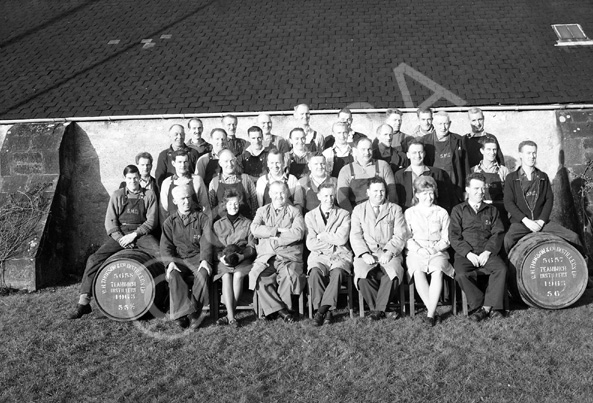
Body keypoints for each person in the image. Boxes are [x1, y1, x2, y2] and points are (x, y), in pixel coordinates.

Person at [67, 165, 160, 319]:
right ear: (125, 179)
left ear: (140, 178)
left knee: (162, 254)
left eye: (136, 178)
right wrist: (120, 238)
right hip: (121, 234)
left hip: (141, 233)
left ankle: (169, 299)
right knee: (94, 259)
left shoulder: (149, 195)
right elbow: (110, 222)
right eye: (129, 178)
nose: (133, 181)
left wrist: (135, 235)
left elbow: (152, 221)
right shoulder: (117, 195)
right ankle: (83, 303)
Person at [503, 140, 582, 253]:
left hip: (542, 222)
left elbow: (549, 200)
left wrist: (541, 221)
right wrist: (526, 221)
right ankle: (509, 269)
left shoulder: (543, 176)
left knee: (574, 237)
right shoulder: (511, 178)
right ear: (520, 154)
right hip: (521, 223)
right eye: (528, 153)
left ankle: (585, 265)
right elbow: (508, 202)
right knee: (508, 240)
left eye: (534, 153)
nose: (532, 156)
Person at [449, 173, 507, 321]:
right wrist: (468, 254)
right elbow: (454, 236)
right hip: (466, 254)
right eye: (476, 188)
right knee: (461, 274)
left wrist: (487, 252)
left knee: (501, 269)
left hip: (487, 252)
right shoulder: (458, 210)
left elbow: (498, 233)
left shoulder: (492, 210)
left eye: (482, 188)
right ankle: (483, 305)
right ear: (467, 189)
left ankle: (484, 309)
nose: (480, 192)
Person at [350, 177, 408, 320]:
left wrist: (389, 252)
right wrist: (364, 254)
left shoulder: (395, 209)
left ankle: (377, 311)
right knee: (362, 276)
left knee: (393, 273)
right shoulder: (358, 210)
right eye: (375, 191)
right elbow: (355, 235)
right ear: (368, 192)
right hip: (367, 252)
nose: (379, 194)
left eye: (382, 191)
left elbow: (400, 234)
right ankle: (384, 309)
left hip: (389, 252)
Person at [249, 181, 306, 322]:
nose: (279, 196)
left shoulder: (294, 211)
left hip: (288, 254)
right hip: (267, 255)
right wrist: (277, 230)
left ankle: (277, 309)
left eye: (282, 192)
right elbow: (255, 229)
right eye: (275, 192)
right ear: (270, 194)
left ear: (287, 193)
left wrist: (273, 238)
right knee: (258, 277)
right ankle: (282, 311)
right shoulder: (262, 211)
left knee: (289, 275)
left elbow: (298, 233)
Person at [161, 185, 213, 329]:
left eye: (188, 197)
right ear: (175, 201)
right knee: (173, 274)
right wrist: (170, 263)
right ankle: (182, 313)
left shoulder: (202, 218)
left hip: (198, 257)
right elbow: (165, 245)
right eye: (182, 199)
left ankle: (194, 313)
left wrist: (205, 260)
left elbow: (206, 241)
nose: (186, 201)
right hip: (179, 258)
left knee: (203, 273)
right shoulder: (169, 222)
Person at [404, 176, 454, 326]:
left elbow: (447, 238)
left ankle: (430, 314)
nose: (428, 197)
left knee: (437, 270)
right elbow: (406, 237)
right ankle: (433, 311)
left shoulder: (442, 212)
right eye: (424, 193)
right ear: (417, 195)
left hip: (437, 251)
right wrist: (419, 250)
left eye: (431, 193)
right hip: (416, 251)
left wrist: (434, 249)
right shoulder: (410, 213)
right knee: (417, 271)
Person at [305, 182, 353, 326]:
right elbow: (310, 243)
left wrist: (322, 236)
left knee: (337, 273)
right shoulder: (310, 216)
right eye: (325, 196)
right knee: (314, 273)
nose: (329, 199)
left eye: (332, 195)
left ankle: (320, 311)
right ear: (319, 196)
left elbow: (342, 238)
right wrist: (332, 239)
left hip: (340, 254)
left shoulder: (344, 214)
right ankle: (327, 312)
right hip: (318, 256)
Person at [212, 189, 256, 328]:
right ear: (225, 205)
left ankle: (229, 316)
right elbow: (215, 247)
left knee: (237, 276)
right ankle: (231, 317)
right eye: (230, 204)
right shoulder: (218, 224)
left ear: (240, 203)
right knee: (225, 276)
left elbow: (251, 246)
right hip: (224, 259)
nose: (233, 206)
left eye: (236, 203)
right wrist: (220, 258)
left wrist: (242, 256)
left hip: (242, 258)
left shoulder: (248, 223)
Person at [337, 137, 396, 213]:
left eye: (369, 149)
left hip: (380, 211)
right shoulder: (346, 170)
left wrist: (385, 213)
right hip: (356, 213)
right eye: (363, 149)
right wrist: (353, 216)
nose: (367, 152)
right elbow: (342, 198)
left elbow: (392, 193)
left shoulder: (383, 166)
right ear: (355, 151)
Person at [421, 111, 470, 204]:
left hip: (455, 188)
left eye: (446, 124)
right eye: (440, 124)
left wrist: (466, 189)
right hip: (434, 188)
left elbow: (465, 167)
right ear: (434, 124)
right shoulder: (425, 141)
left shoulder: (459, 140)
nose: (443, 127)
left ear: (450, 124)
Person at [394, 140, 452, 212]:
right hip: (408, 215)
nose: (418, 156)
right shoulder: (399, 175)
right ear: (408, 155)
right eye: (414, 153)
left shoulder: (437, 173)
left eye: (420, 152)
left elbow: (444, 199)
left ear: (424, 154)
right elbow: (398, 199)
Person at [160, 150, 210, 220]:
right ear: (173, 163)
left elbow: (205, 206)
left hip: (195, 225)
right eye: (179, 162)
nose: (183, 165)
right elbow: (164, 210)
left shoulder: (197, 180)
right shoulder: (166, 183)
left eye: (185, 162)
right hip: (174, 226)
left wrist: (206, 227)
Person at [472, 135, 510, 227]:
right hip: (480, 212)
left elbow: (509, 195)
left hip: (499, 212)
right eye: (488, 149)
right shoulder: (474, 170)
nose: (492, 153)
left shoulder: (503, 171)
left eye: (494, 150)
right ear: (482, 151)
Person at [209, 149, 258, 220]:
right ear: (220, 163)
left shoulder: (245, 179)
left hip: (244, 224)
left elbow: (254, 203)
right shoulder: (214, 182)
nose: (230, 164)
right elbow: (212, 206)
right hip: (222, 227)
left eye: (232, 160)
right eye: (226, 161)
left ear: (235, 161)